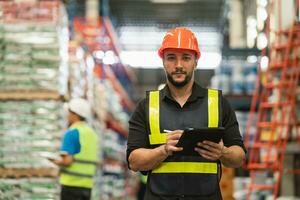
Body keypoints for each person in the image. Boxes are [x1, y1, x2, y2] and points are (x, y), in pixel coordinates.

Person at [126, 27, 246, 200]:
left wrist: (223, 153)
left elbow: (239, 157)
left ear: (196, 61)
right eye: (171, 58)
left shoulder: (218, 104)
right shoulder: (146, 106)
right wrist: (163, 150)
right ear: (163, 62)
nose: (179, 65)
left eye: (186, 58)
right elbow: (134, 161)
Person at [50, 98, 98, 200]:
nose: (67, 115)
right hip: (87, 186)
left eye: (69, 112)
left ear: (74, 114)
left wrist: (54, 161)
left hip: (71, 186)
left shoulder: (72, 132)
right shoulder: (92, 134)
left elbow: (68, 161)